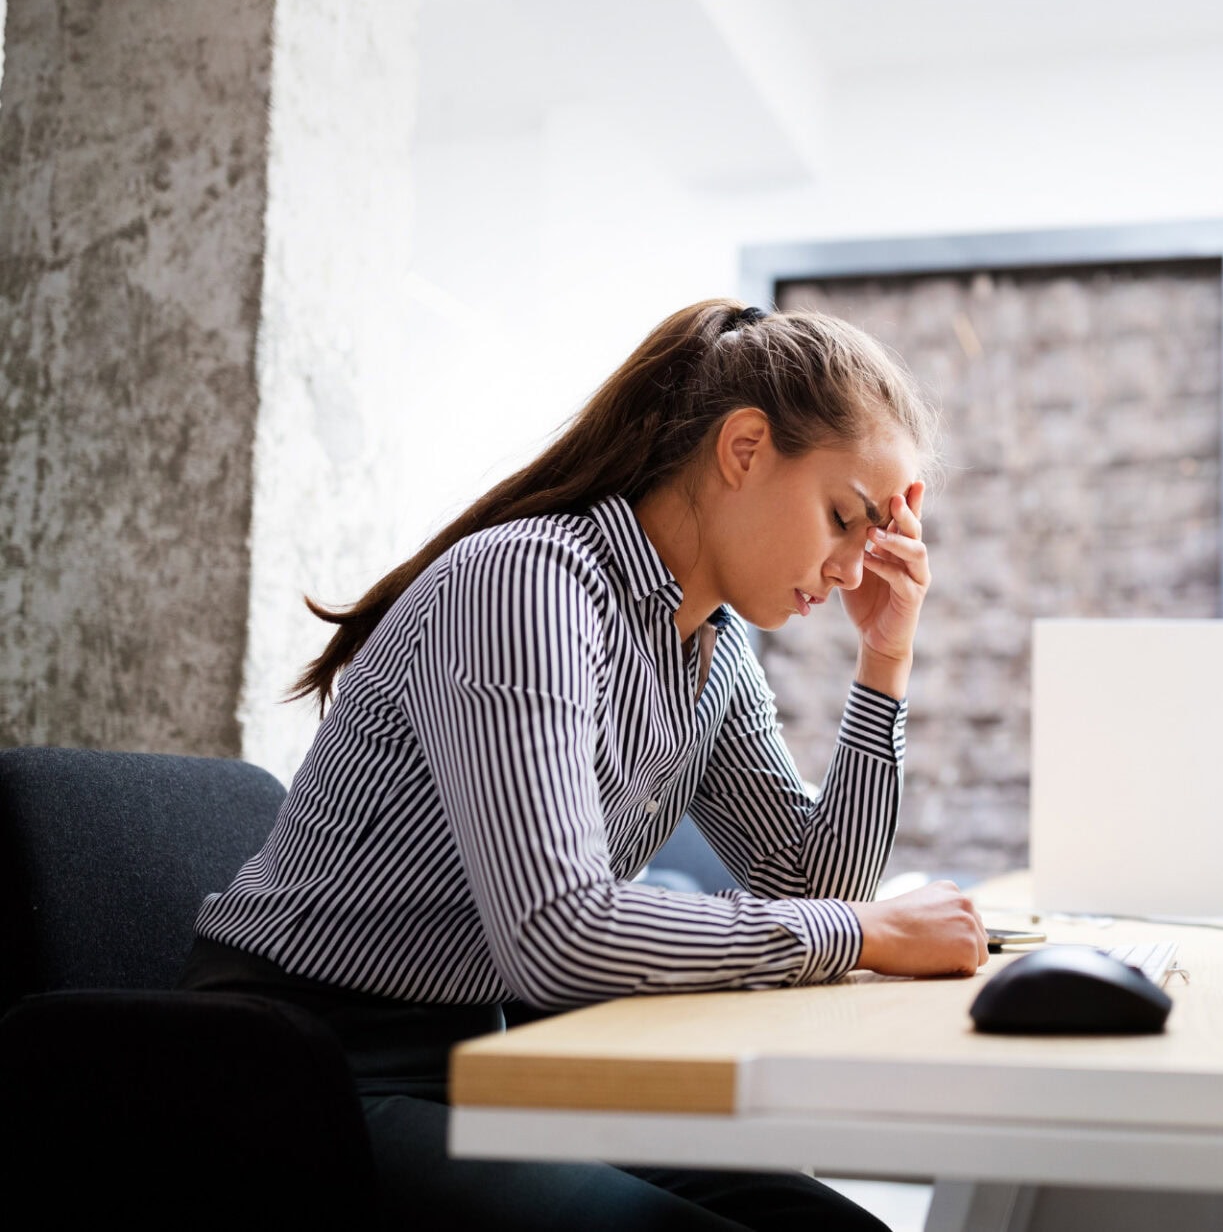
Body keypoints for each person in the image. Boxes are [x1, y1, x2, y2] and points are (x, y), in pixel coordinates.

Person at [182, 299, 988, 1228]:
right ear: (744, 449)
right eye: (845, 518)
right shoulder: (528, 583)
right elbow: (560, 933)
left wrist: (884, 663)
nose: (854, 569)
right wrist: (866, 935)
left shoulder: (711, 654)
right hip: (304, 1070)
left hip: (491, 1056)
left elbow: (816, 882)